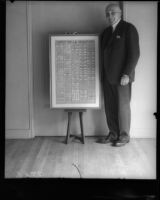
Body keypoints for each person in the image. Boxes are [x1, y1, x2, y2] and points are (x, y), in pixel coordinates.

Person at [100, 3, 140, 146]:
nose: (110, 16)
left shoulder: (129, 29)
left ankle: (124, 136)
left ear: (120, 13)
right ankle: (113, 133)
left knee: (122, 106)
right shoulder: (105, 33)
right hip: (107, 78)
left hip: (122, 78)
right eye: (107, 14)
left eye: (113, 13)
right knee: (109, 107)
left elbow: (134, 54)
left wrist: (127, 74)